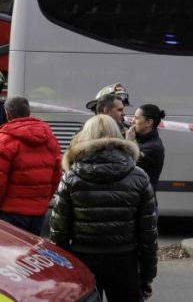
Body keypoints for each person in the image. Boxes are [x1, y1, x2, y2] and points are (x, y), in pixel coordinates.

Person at [50, 114, 157, 302]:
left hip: (83, 258)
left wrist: (63, 269)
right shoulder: (139, 176)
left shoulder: (71, 177)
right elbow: (148, 232)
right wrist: (147, 275)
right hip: (124, 259)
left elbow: (59, 230)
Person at [0, 96, 61, 235]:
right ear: (28, 112)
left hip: (10, 213)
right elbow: (56, 175)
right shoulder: (50, 139)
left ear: (7, 114)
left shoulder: (4, 140)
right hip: (39, 212)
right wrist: (43, 200)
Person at [128, 104, 166, 190]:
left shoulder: (152, 148)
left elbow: (128, 168)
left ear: (148, 122)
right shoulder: (143, 140)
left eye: (136, 118)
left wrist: (128, 143)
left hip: (142, 200)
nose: (132, 121)